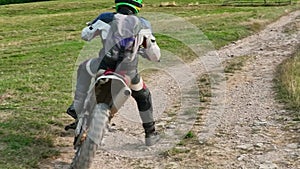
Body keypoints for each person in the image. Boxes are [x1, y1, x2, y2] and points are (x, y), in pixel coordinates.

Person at [66, 0, 161, 146]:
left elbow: (85, 35)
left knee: (83, 68)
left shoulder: (105, 18)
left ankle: (76, 107)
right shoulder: (144, 25)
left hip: (103, 66)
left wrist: (97, 29)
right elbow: (155, 55)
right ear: (138, 6)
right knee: (143, 95)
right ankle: (150, 133)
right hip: (128, 72)